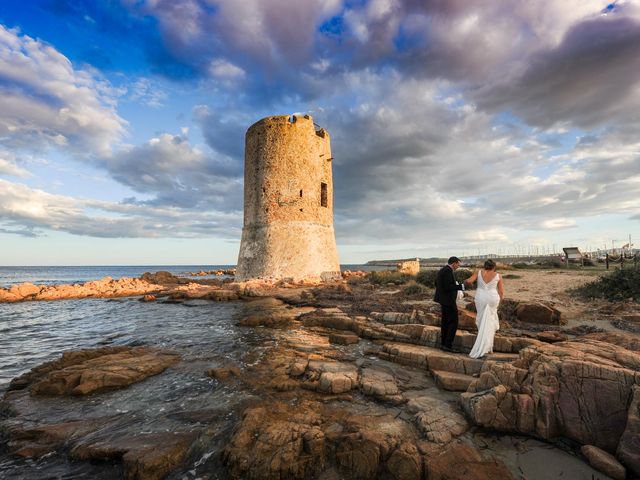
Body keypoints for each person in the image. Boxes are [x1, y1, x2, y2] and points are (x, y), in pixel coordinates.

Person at [464, 259, 505, 359]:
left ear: (485, 266)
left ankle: (484, 344)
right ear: (494, 267)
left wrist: (467, 282)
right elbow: (501, 292)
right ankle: (489, 347)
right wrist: (500, 302)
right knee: (490, 321)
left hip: (481, 297)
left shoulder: (478, 272)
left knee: (482, 319)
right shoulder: (498, 275)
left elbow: (468, 281)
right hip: (492, 298)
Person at [434, 256, 465, 352]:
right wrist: (461, 286)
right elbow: (448, 286)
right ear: (454, 263)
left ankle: (443, 344)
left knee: (445, 322)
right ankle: (448, 345)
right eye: (458, 265)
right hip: (448, 301)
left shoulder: (442, 270)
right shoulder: (448, 271)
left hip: (443, 300)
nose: (458, 267)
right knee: (453, 322)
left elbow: (436, 283)